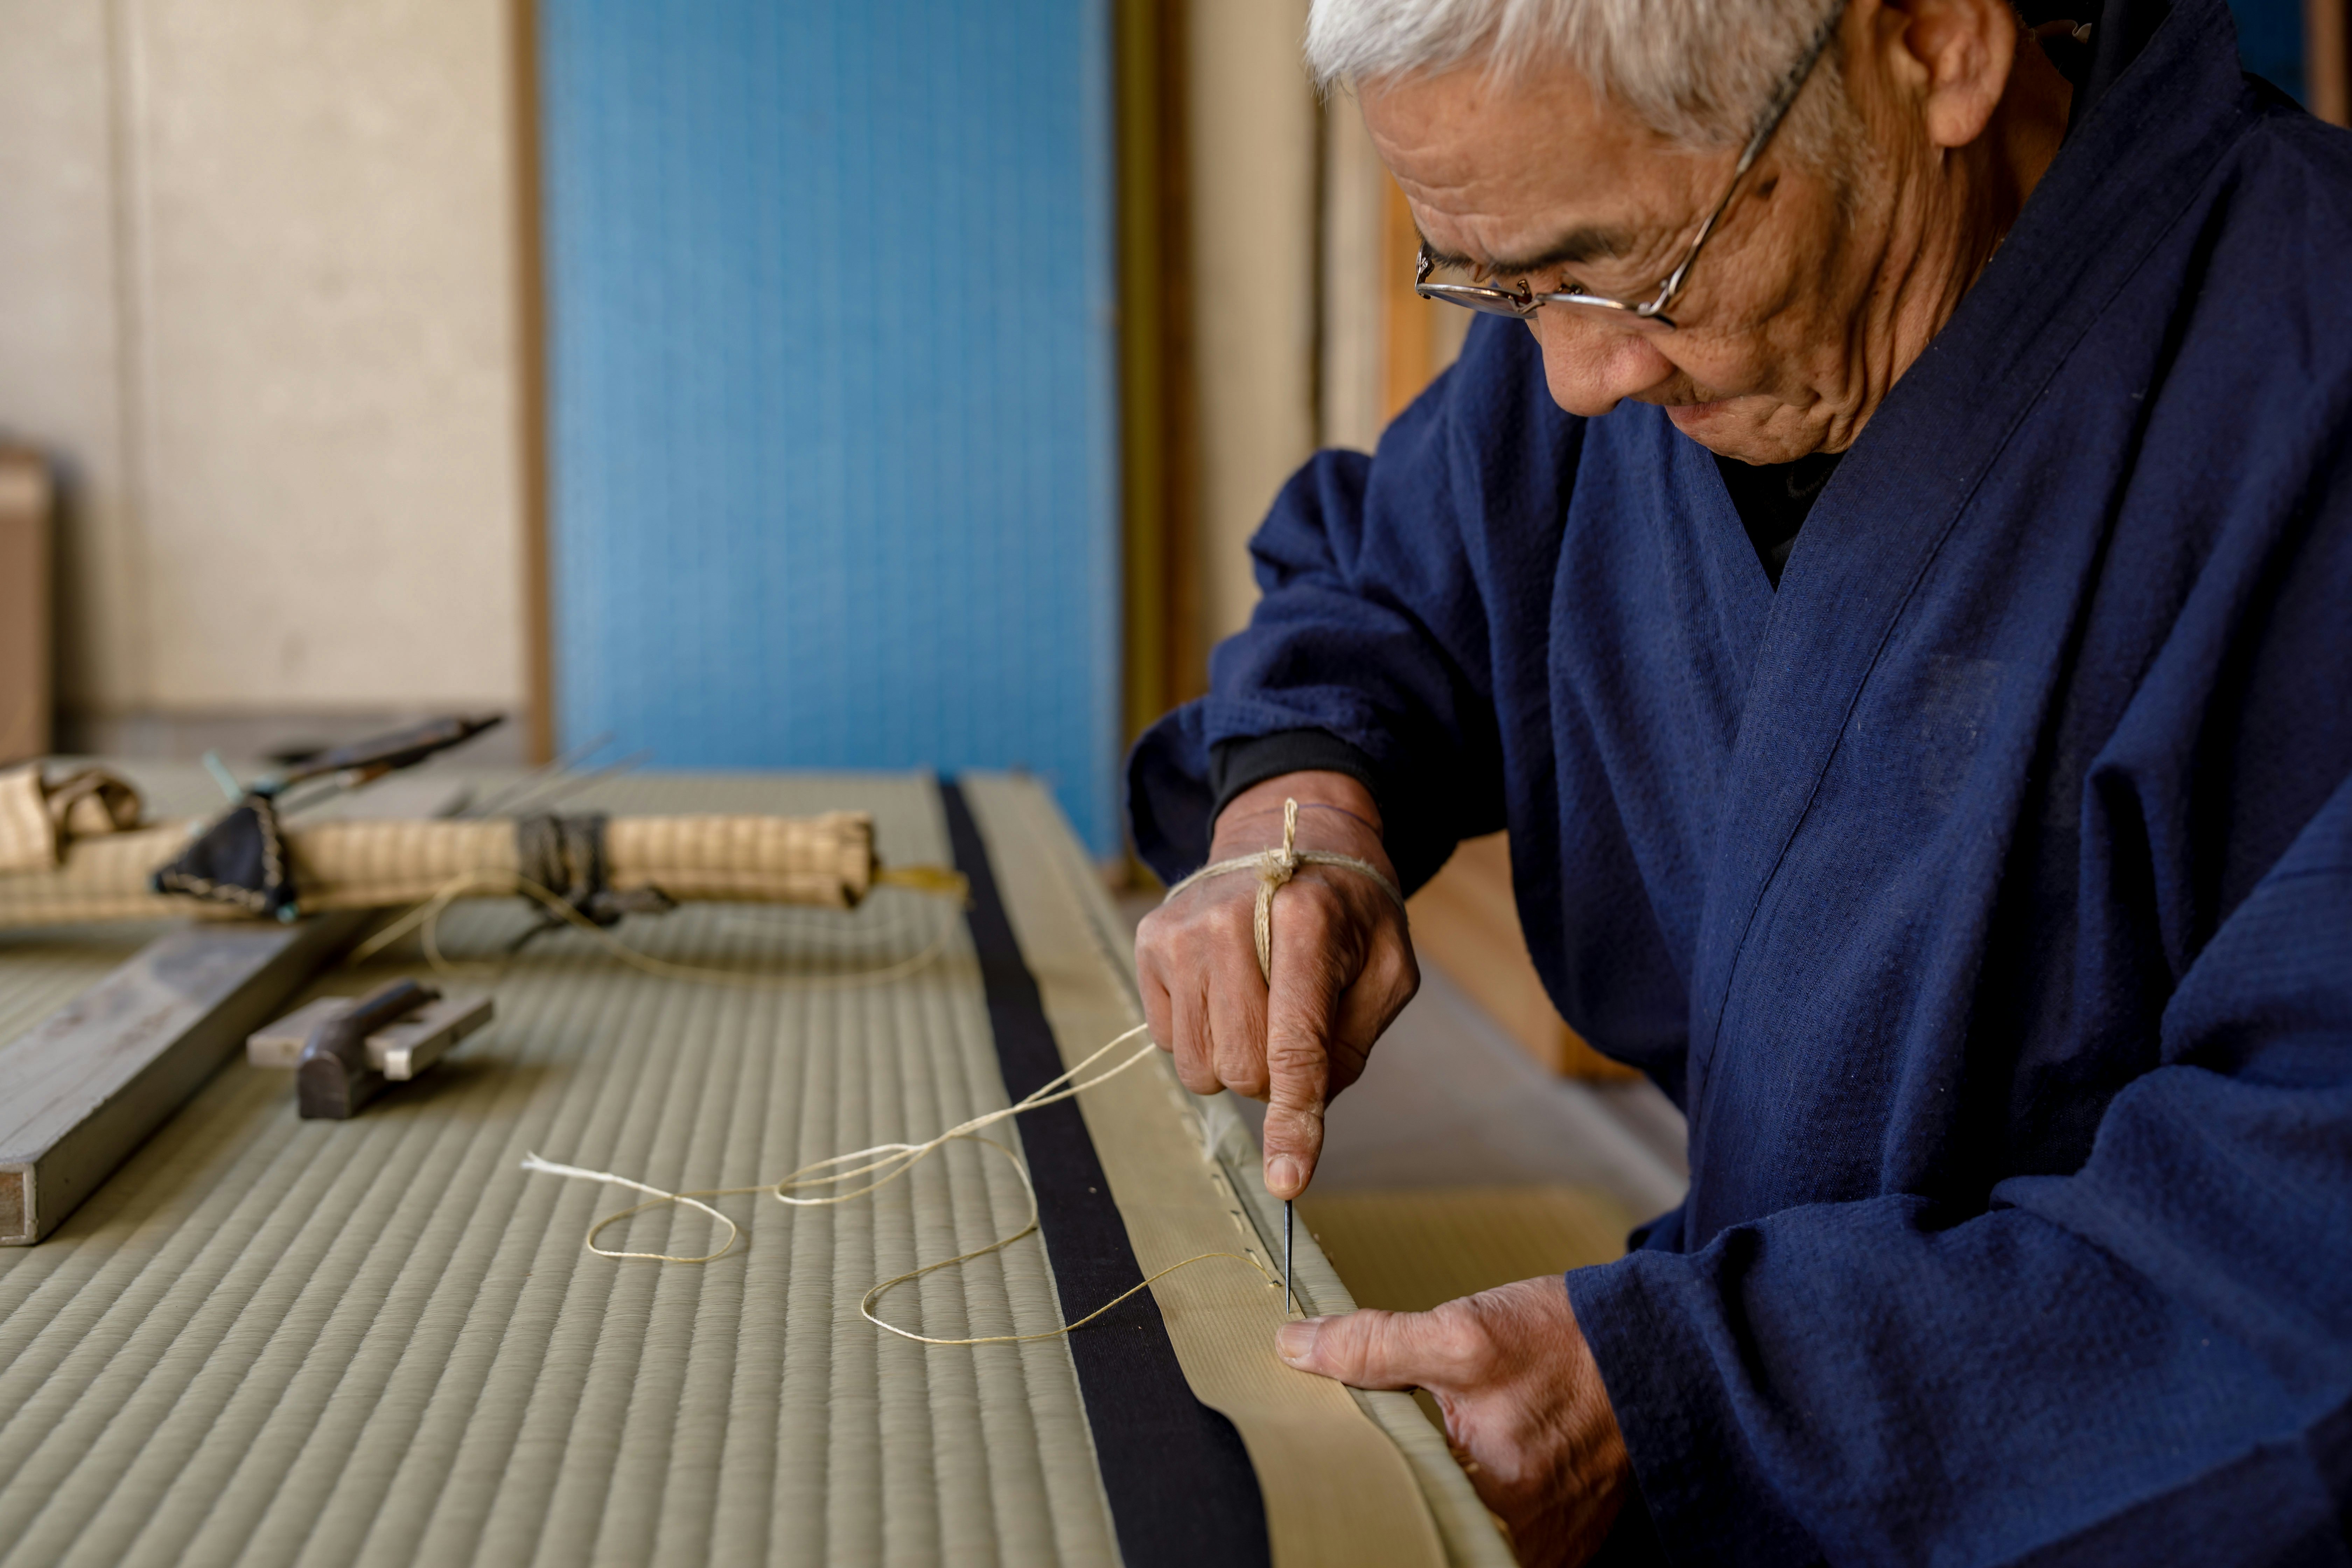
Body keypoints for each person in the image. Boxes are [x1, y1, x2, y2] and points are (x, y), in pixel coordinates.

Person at [1126, 0, 2352, 1560]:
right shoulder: (1618, 304)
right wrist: (1297, 817)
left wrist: (1693, 1394)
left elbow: (2304, 1245)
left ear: (1937, 45)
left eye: (1631, 270)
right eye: (1497, 285)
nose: (1576, 379)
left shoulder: (2308, 380)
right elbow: (1390, 584)